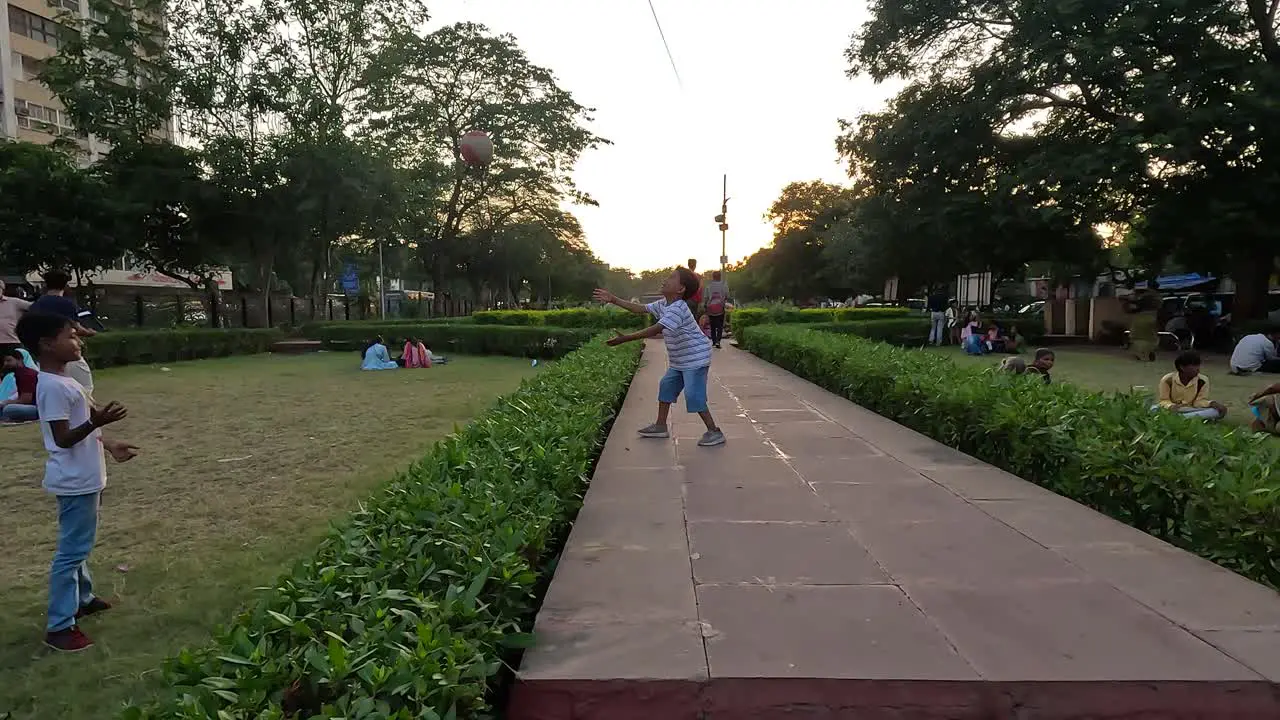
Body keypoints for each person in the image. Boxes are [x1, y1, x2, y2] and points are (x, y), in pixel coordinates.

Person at [16, 312, 138, 652]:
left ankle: (82, 599)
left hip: (85, 478)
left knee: (79, 546)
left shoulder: (67, 381)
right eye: (71, 336)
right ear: (46, 344)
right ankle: (59, 627)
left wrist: (110, 442)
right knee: (71, 553)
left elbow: (83, 430)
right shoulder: (53, 387)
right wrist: (95, 421)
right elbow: (63, 438)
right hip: (75, 482)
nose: (79, 341)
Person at [594, 267, 725, 447]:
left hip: (696, 358)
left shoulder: (678, 308)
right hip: (680, 360)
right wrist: (614, 299)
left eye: (672, 278)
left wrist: (626, 339)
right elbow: (640, 309)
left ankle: (714, 431)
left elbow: (657, 328)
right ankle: (660, 426)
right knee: (666, 386)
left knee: (693, 394)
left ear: (680, 289)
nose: (665, 279)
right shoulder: (664, 303)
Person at [29, 270, 96, 397]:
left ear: (45, 285)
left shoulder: (36, 305)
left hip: (44, 352)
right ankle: (83, 411)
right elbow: (75, 327)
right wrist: (90, 332)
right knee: (84, 384)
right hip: (64, 348)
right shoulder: (66, 304)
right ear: (65, 285)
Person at [1154, 351, 1227, 421]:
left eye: (1198, 365)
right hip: (1173, 409)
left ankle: (1181, 418)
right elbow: (1164, 400)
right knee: (1153, 409)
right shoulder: (1167, 379)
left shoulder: (1202, 380)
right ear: (1182, 367)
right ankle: (1187, 418)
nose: (1198, 369)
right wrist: (1171, 406)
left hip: (1191, 409)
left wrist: (1212, 403)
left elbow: (1198, 402)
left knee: (1215, 411)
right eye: (1194, 365)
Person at [0, 347, 40, 423]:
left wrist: (5, 403)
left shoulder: (26, 375)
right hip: (30, 407)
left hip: (38, 409)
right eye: (4, 361)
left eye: (9, 360)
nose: (5, 364)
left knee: (9, 409)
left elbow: (25, 400)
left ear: (20, 360)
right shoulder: (19, 374)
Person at [0, 279, 33, 355]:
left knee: (16, 366)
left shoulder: (14, 302)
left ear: (3, 290)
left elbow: (35, 307)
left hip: (12, 342)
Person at [1128, 288, 1160, 362]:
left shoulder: (1145, 298)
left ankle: (1142, 355)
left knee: (1139, 337)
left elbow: (1138, 305)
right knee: (1149, 337)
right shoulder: (1155, 298)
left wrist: (1129, 301)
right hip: (1151, 319)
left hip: (1143, 318)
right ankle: (1146, 354)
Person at [704, 270, 729, 349]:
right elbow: (727, 295)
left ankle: (714, 341)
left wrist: (706, 305)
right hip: (720, 308)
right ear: (720, 277)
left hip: (711, 308)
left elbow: (706, 297)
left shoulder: (709, 286)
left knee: (712, 325)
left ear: (713, 277)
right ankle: (718, 341)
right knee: (720, 325)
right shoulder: (724, 285)